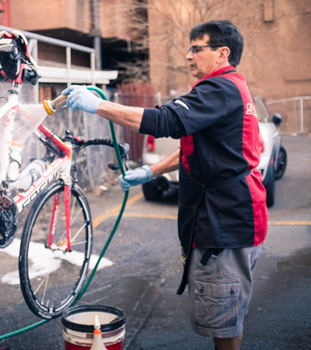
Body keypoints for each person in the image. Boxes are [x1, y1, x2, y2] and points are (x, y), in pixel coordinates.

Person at [62, 20, 267, 350]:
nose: (188, 56)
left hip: (224, 225)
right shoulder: (232, 88)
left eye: (196, 48)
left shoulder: (219, 89)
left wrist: (97, 105)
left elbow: (164, 121)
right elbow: (202, 149)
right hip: (237, 219)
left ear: (222, 53)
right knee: (228, 313)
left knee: (225, 321)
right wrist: (151, 171)